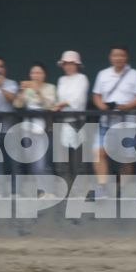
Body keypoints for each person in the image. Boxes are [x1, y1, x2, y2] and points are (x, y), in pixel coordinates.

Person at [92, 46, 136, 188]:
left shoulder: (135, 75)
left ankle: (123, 190)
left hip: (128, 123)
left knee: (126, 157)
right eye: (115, 55)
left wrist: (126, 107)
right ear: (110, 57)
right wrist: (103, 107)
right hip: (106, 121)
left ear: (126, 57)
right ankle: (102, 187)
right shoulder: (102, 74)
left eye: (121, 55)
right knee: (98, 152)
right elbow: (96, 95)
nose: (118, 58)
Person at [54, 51, 91, 185]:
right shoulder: (61, 80)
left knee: (78, 158)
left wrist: (63, 103)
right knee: (62, 158)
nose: (68, 66)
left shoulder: (82, 78)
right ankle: (66, 187)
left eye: (71, 63)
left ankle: (80, 188)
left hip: (77, 121)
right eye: (66, 63)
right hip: (62, 120)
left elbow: (78, 99)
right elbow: (59, 98)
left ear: (77, 65)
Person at [16, 62, 58, 178]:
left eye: (39, 73)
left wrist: (38, 91)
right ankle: (39, 190)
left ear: (44, 75)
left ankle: (46, 190)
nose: (36, 75)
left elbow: (50, 105)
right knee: (31, 158)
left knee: (42, 161)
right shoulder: (27, 89)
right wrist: (21, 91)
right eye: (33, 73)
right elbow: (18, 105)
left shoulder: (50, 87)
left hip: (44, 128)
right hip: (27, 128)